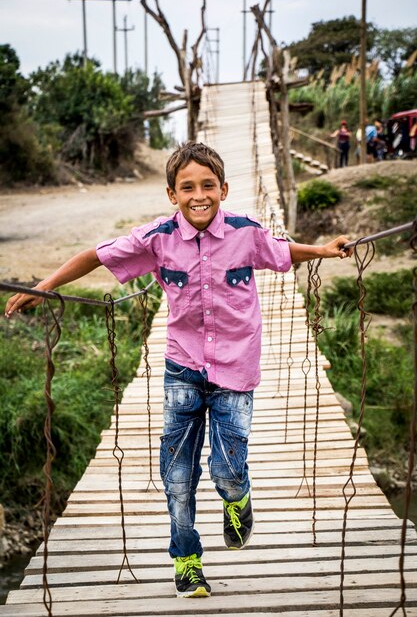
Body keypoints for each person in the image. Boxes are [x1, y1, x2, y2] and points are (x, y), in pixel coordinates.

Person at [5, 141, 353, 599]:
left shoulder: (245, 233)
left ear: (223, 189)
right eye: (187, 187)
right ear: (172, 194)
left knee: (228, 470)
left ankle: (238, 500)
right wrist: (45, 286)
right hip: (182, 367)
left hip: (234, 370)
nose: (198, 195)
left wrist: (325, 250)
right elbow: (97, 255)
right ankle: (186, 560)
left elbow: (285, 252)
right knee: (177, 474)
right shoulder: (157, 238)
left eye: (208, 185)